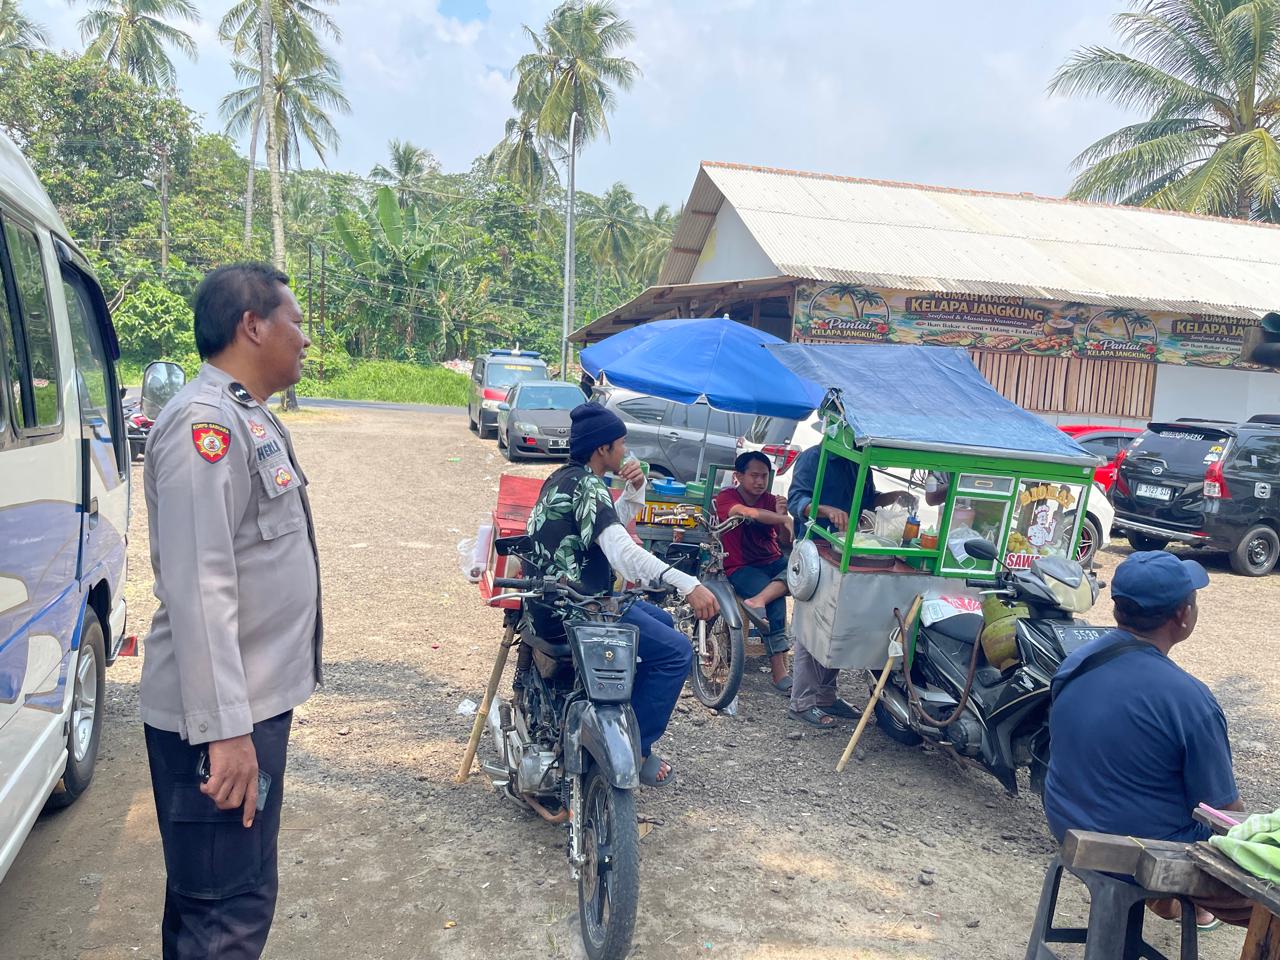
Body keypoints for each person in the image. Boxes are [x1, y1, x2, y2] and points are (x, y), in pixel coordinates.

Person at [141, 263, 320, 959]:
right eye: (295, 321)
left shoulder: (246, 414)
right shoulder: (206, 424)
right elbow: (200, 584)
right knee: (225, 918)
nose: (305, 338)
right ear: (253, 325)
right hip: (216, 722)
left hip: (244, 707)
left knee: (219, 900)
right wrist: (226, 733)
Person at [1043, 551, 1250, 930]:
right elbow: (1225, 814)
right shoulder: (1190, 701)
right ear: (1183, 616)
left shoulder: (1075, 662)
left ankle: (1168, 902)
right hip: (1137, 850)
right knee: (1259, 883)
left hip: (1068, 821)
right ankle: (1176, 898)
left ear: (1118, 608)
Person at [526, 403, 720, 786]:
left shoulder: (565, 479)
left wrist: (636, 490)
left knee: (662, 621)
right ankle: (636, 747)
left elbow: (603, 530)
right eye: (621, 444)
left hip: (551, 603)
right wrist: (688, 583)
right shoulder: (588, 486)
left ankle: (619, 715)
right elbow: (622, 554)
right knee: (677, 652)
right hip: (577, 611)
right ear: (603, 449)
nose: (625, 452)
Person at [784, 444, 915, 728]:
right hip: (815, 548)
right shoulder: (813, 458)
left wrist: (894, 496)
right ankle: (802, 702)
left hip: (845, 549)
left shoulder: (859, 462)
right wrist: (826, 510)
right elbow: (796, 501)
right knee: (814, 626)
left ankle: (826, 696)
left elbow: (868, 500)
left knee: (838, 624)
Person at [714, 451, 794, 693]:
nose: (760, 482)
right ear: (738, 476)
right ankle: (779, 670)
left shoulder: (771, 501)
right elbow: (745, 512)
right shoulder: (728, 496)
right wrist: (782, 518)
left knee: (803, 572)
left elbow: (785, 541)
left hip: (772, 560)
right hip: (740, 566)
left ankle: (759, 599)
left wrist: (782, 517)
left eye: (764, 476)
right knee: (776, 600)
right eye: (754, 476)